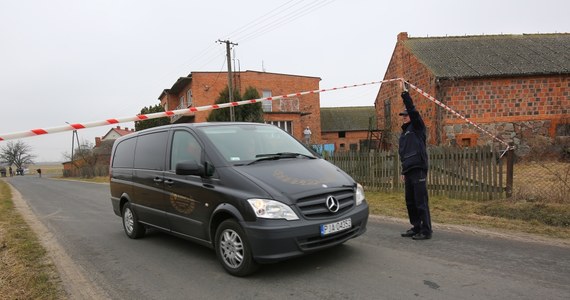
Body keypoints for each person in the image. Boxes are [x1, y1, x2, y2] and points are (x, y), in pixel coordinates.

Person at [398, 84, 432, 240]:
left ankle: (426, 230)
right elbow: (402, 154)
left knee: (420, 201)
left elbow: (412, 110)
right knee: (410, 201)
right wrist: (402, 171)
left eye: (406, 115)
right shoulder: (403, 135)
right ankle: (416, 226)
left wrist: (405, 94)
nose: (404, 117)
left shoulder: (417, 127)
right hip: (408, 171)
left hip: (418, 169)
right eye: (403, 116)